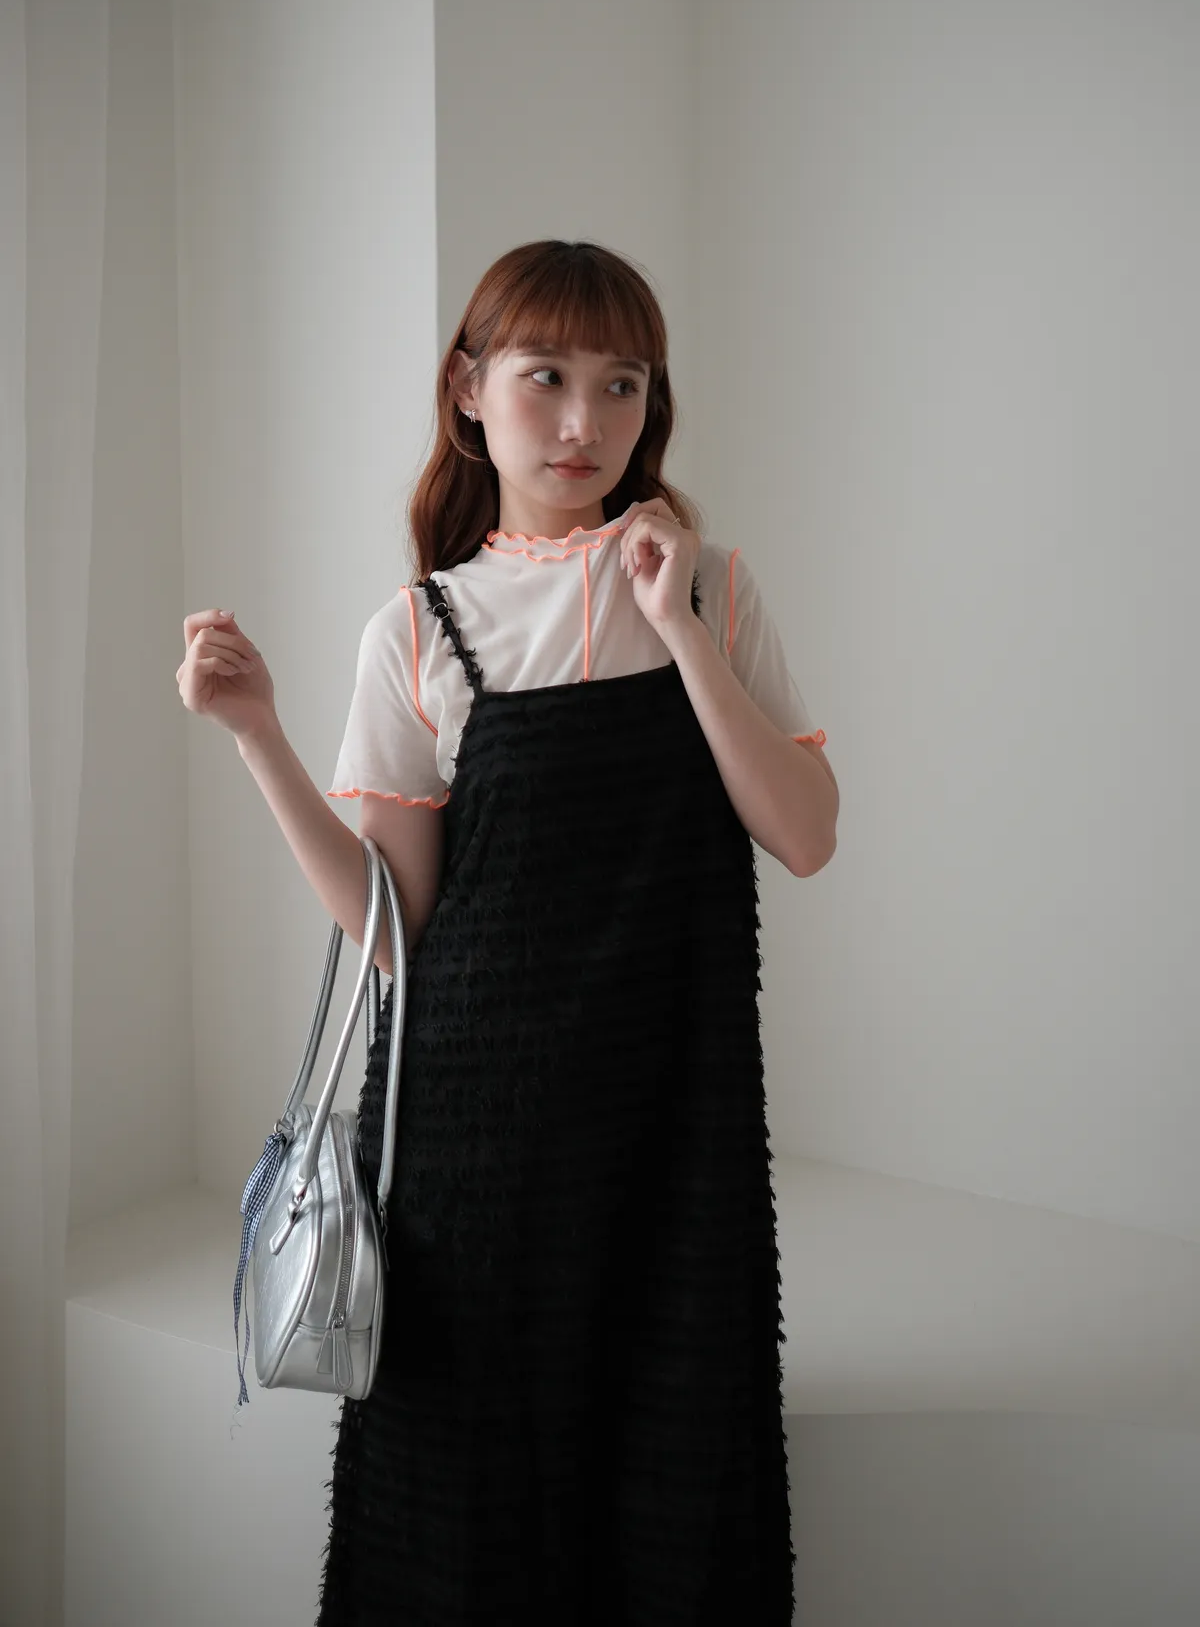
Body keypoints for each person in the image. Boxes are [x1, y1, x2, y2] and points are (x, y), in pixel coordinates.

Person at [177, 239, 838, 1625]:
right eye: (546, 377)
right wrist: (256, 736)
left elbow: (805, 833)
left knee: (672, 1470)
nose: (585, 420)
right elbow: (395, 929)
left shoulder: (713, 587)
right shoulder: (421, 629)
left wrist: (681, 629)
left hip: (675, 1123)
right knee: (465, 1504)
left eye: (622, 384)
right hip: (475, 1141)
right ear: (470, 391)